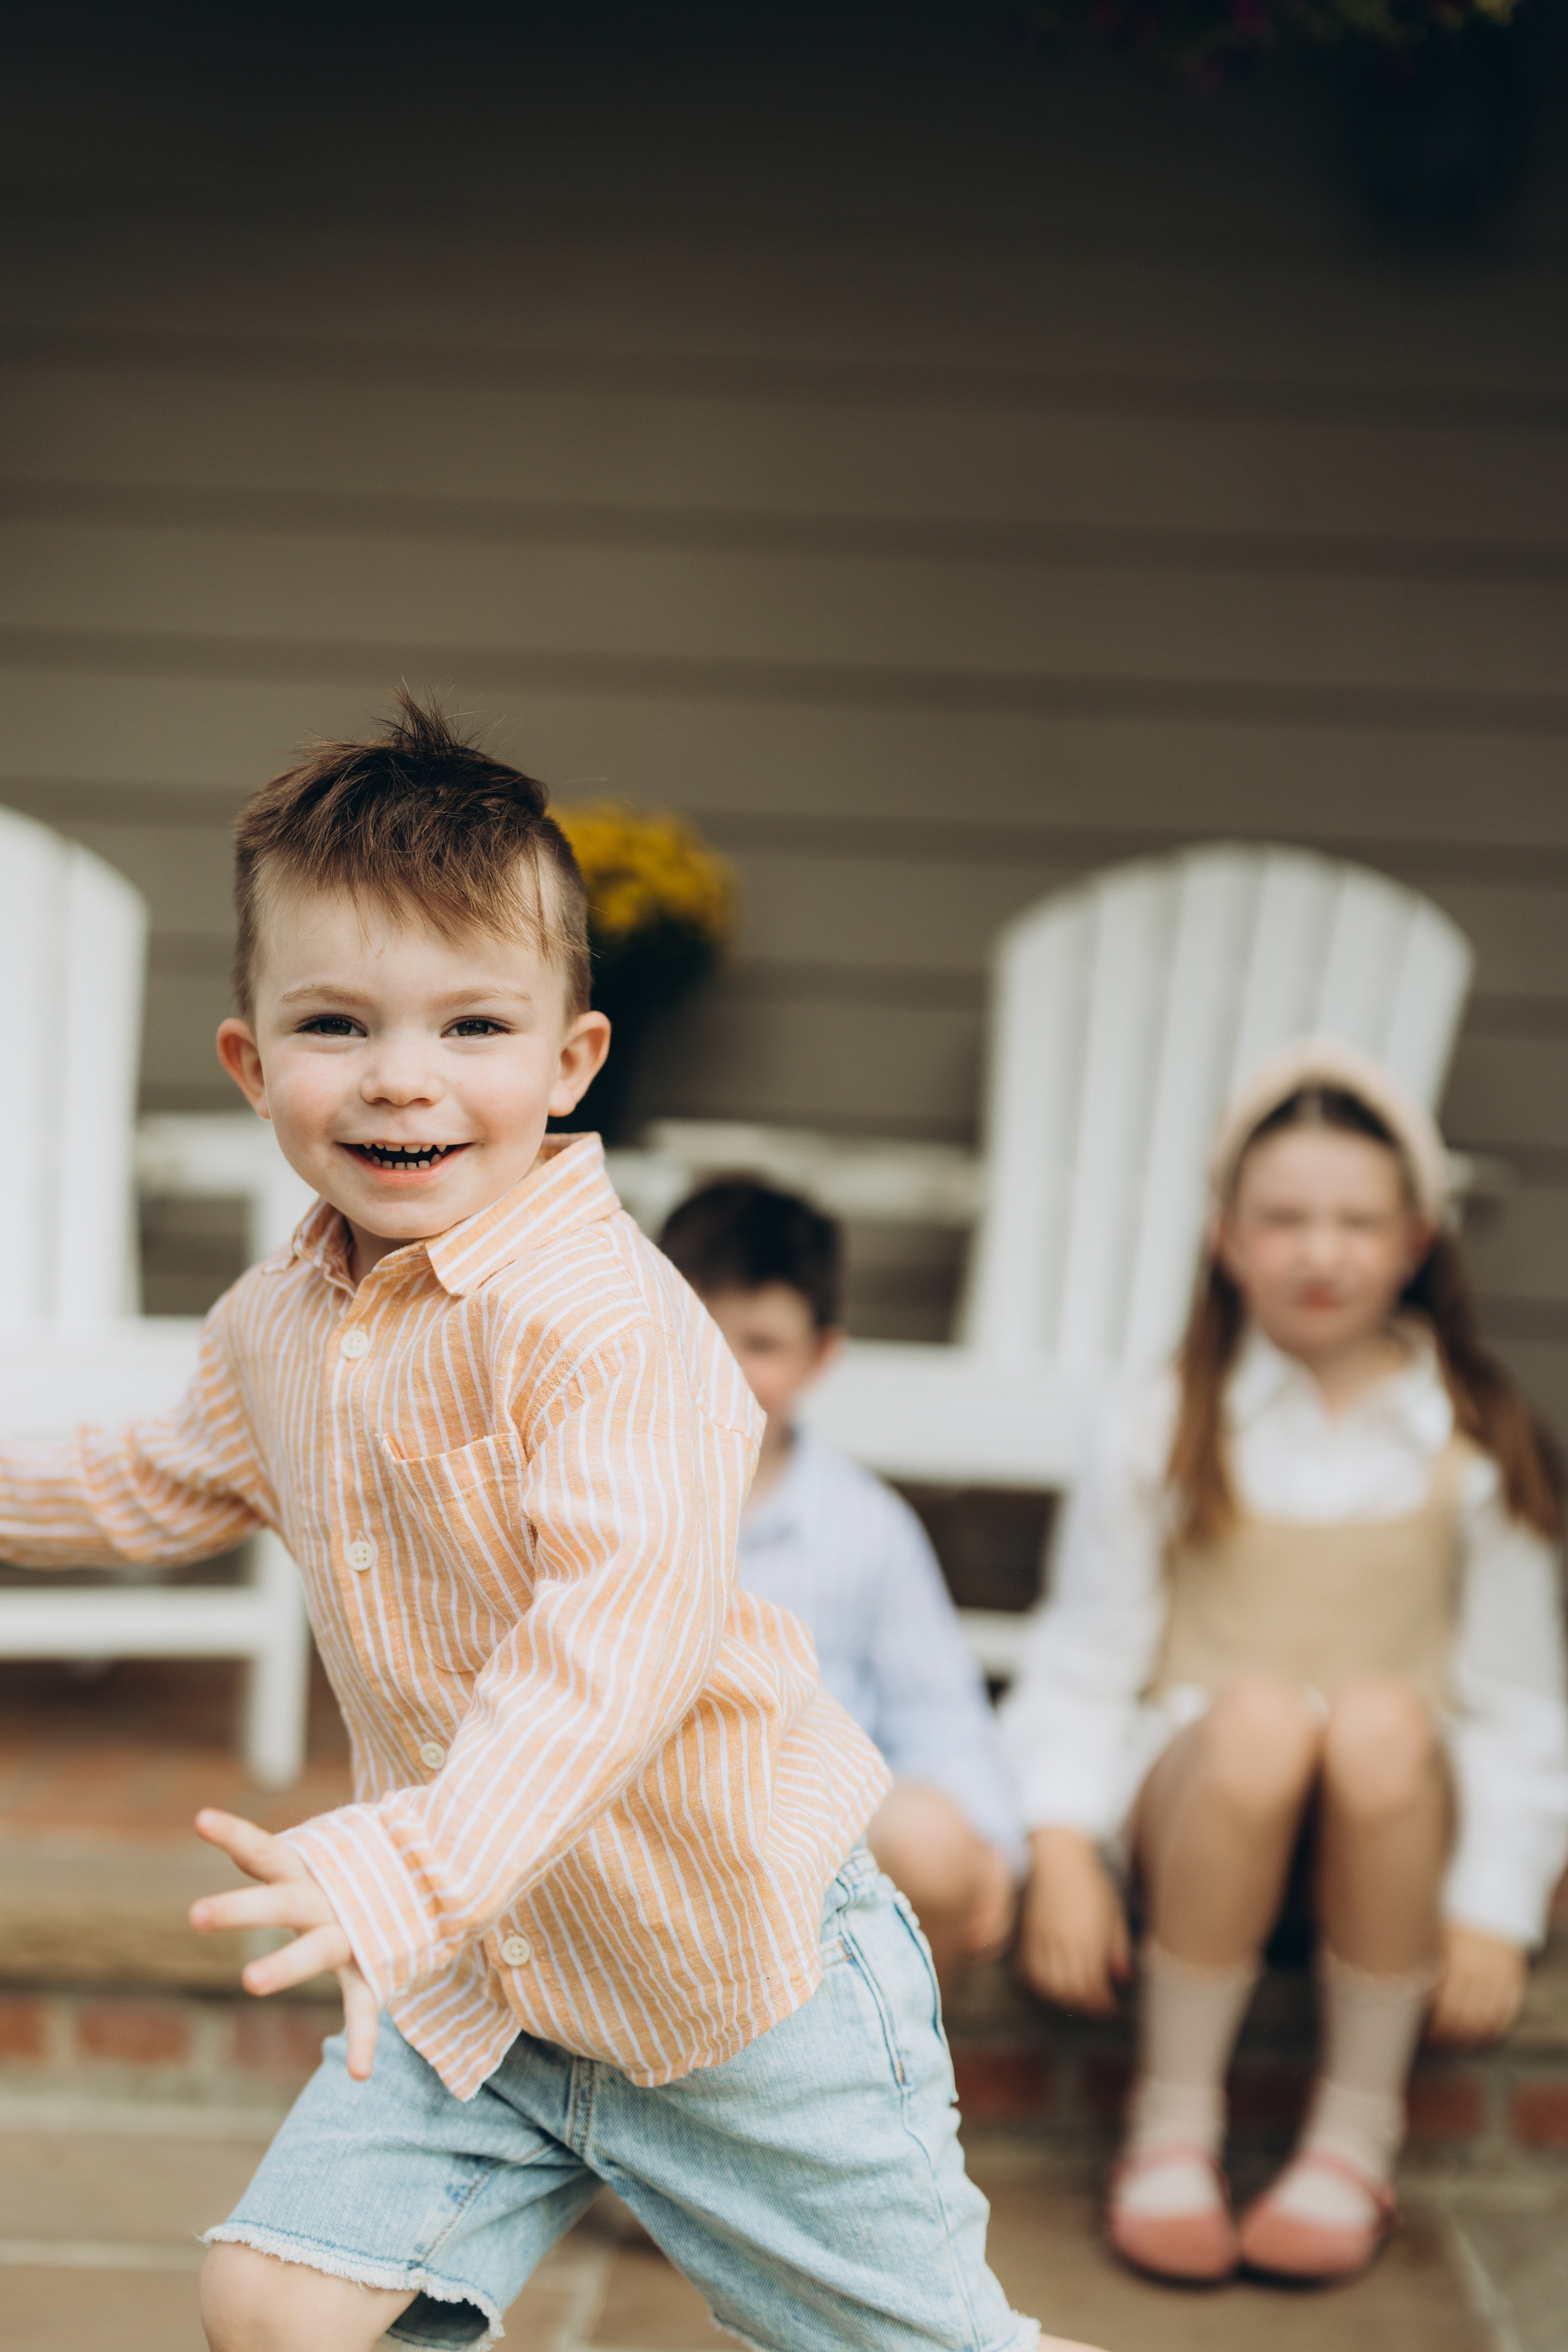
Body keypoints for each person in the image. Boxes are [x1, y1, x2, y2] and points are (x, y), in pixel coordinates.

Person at [0, 695, 1098, 2352]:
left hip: (728, 1979)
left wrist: (416, 1860)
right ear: (251, 1062)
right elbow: (151, 1475)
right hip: (482, 1996)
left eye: (472, 1026)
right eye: (335, 1024)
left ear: (569, 1060)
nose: (402, 1079)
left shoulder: (611, 1330)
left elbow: (615, 1647)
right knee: (277, 2306)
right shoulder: (275, 1326)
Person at [1001, 1036, 1568, 2287]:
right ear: (1224, 1238)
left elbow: (1522, 1708)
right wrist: (1059, 1848)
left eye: (1357, 1222)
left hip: (1391, 1839)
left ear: (1416, 1240)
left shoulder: (1475, 1443)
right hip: (1206, 1825)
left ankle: (1350, 2143)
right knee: (1259, 1717)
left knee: (1379, 1718)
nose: (1321, 1253)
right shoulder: (1161, 1423)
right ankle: (1169, 2130)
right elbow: (1083, 1659)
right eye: (1283, 1220)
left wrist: (1493, 1904)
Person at [660, 1177, 1024, 1988]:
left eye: (761, 1344)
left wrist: (990, 1839)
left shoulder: (868, 1526)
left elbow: (941, 1716)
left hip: (818, 1843)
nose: (721, 1366)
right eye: (696, 1327)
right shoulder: (595, 1496)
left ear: (821, 1356)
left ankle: (877, 2042)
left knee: (931, 1838)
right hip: (646, 1822)